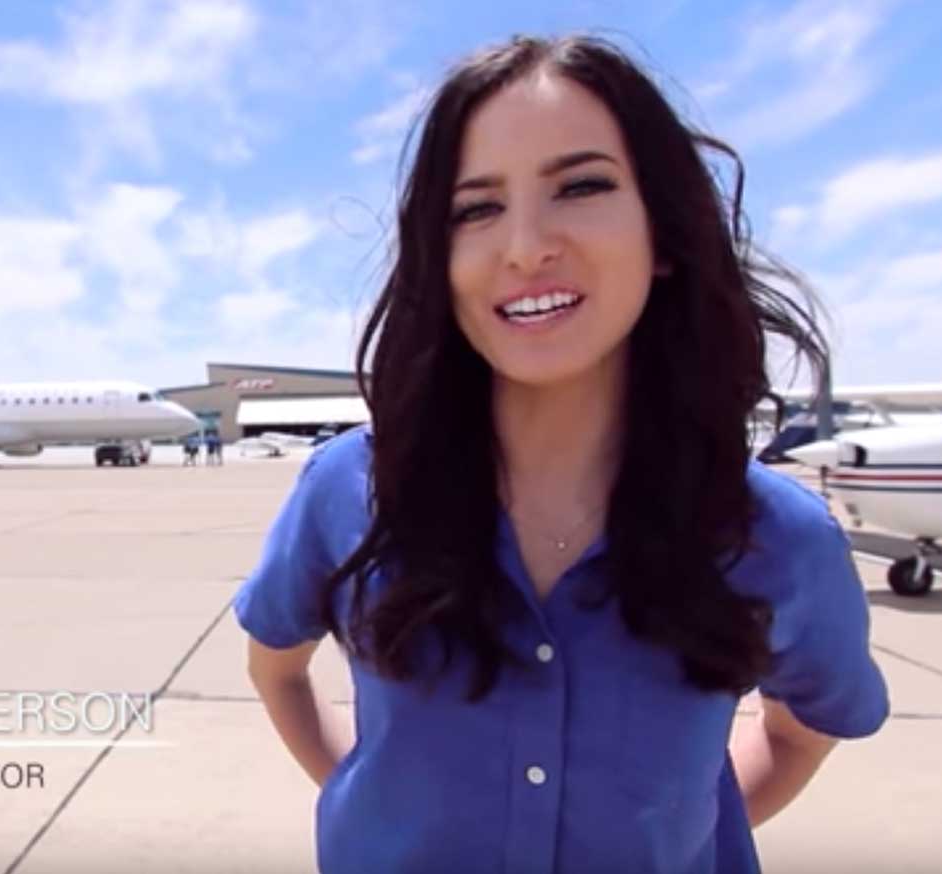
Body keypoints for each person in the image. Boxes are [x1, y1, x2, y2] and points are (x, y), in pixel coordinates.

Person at [235, 35, 887, 874]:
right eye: (476, 209)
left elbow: (802, 731)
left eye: (581, 187)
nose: (524, 246)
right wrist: (371, 815)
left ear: (663, 234)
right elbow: (277, 671)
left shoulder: (778, 534)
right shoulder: (347, 487)